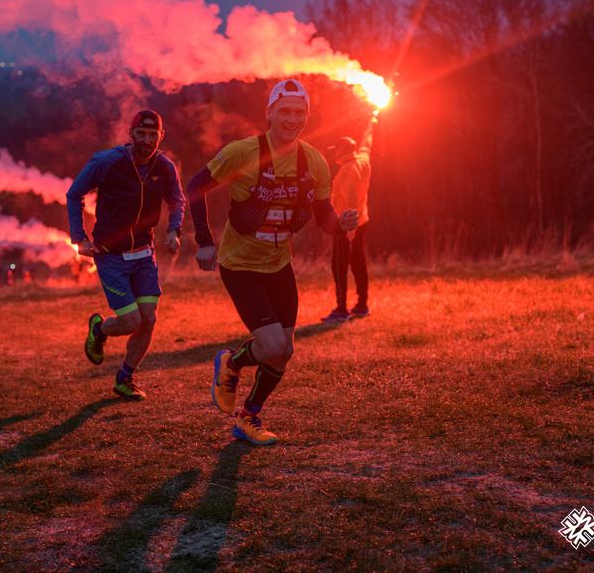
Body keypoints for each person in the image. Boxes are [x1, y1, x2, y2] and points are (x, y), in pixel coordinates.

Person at [187, 79, 359, 445]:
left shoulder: (314, 161)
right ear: (269, 113)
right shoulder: (241, 152)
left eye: (300, 113)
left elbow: (324, 216)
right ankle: (231, 363)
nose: (292, 119)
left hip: (279, 265)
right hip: (240, 265)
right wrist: (204, 240)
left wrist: (339, 223)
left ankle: (248, 417)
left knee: (285, 351)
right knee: (268, 347)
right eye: (285, 111)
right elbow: (195, 187)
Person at [67, 109, 185, 401]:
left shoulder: (165, 167)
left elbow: (177, 199)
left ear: (161, 136)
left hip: (145, 255)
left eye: (152, 134)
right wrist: (79, 238)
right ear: (130, 134)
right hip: (110, 255)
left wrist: (174, 229)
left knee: (149, 319)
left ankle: (125, 378)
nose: (146, 140)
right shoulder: (107, 162)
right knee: (132, 322)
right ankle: (100, 329)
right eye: (141, 133)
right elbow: (74, 194)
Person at [322, 116, 377, 322]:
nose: (334, 152)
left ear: (342, 151)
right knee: (359, 263)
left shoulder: (346, 171)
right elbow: (367, 144)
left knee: (339, 265)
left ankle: (341, 309)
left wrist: (349, 230)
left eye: (336, 149)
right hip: (363, 220)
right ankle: (362, 305)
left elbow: (352, 200)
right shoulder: (362, 160)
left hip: (347, 225)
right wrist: (372, 123)